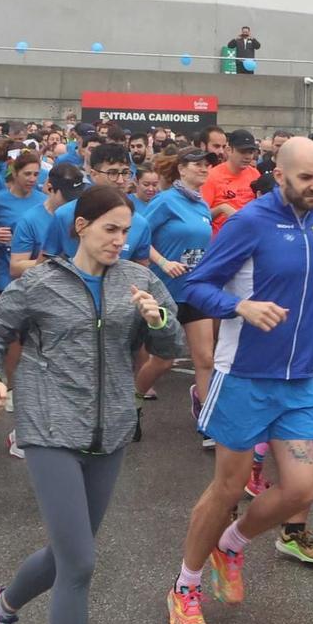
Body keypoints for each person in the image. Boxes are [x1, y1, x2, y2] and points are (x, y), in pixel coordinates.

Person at [0, 185, 177, 624]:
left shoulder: (139, 280)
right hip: (47, 428)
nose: (121, 239)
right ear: (81, 226)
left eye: (126, 230)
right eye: (110, 228)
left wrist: (156, 317)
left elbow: (172, 343)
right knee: (81, 562)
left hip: (109, 430)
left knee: (70, 550)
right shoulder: (39, 282)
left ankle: (2, 603)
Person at [167, 138, 313, 624]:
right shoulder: (248, 222)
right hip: (246, 374)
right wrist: (239, 308)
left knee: (301, 487)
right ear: (279, 175)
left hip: (298, 378)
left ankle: (230, 545)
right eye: (306, 179)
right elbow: (196, 286)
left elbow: (307, 280)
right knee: (227, 488)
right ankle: (185, 586)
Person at [126, 147, 217, 446]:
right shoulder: (165, 201)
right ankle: (133, 405)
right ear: (181, 169)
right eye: (198, 165)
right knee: (164, 361)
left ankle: (207, 422)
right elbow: (139, 235)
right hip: (166, 291)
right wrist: (163, 262)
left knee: (205, 358)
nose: (204, 169)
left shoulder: (202, 205)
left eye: (207, 165)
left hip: (195, 290)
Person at [0, 151, 47, 310]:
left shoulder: (44, 201)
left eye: (36, 174)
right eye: (27, 174)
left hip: (32, 272)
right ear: (15, 173)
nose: (32, 179)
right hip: (1, 271)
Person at [199, 129, 262, 232]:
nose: (247, 157)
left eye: (250, 152)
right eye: (242, 151)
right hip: (221, 240)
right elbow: (200, 216)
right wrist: (221, 209)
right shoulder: (212, 176)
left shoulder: (255, 174)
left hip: (248, 238)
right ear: (229, 150)